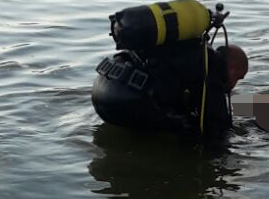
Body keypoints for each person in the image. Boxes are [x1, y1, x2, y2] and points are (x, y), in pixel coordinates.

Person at [92, 37, 249, 139]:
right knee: (193, 128)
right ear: (233, 68)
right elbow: (218, 128)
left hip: (103, 86)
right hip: (128, 97)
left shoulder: (191, 51)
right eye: (238, 78)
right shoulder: (212, 67)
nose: (234, 85)